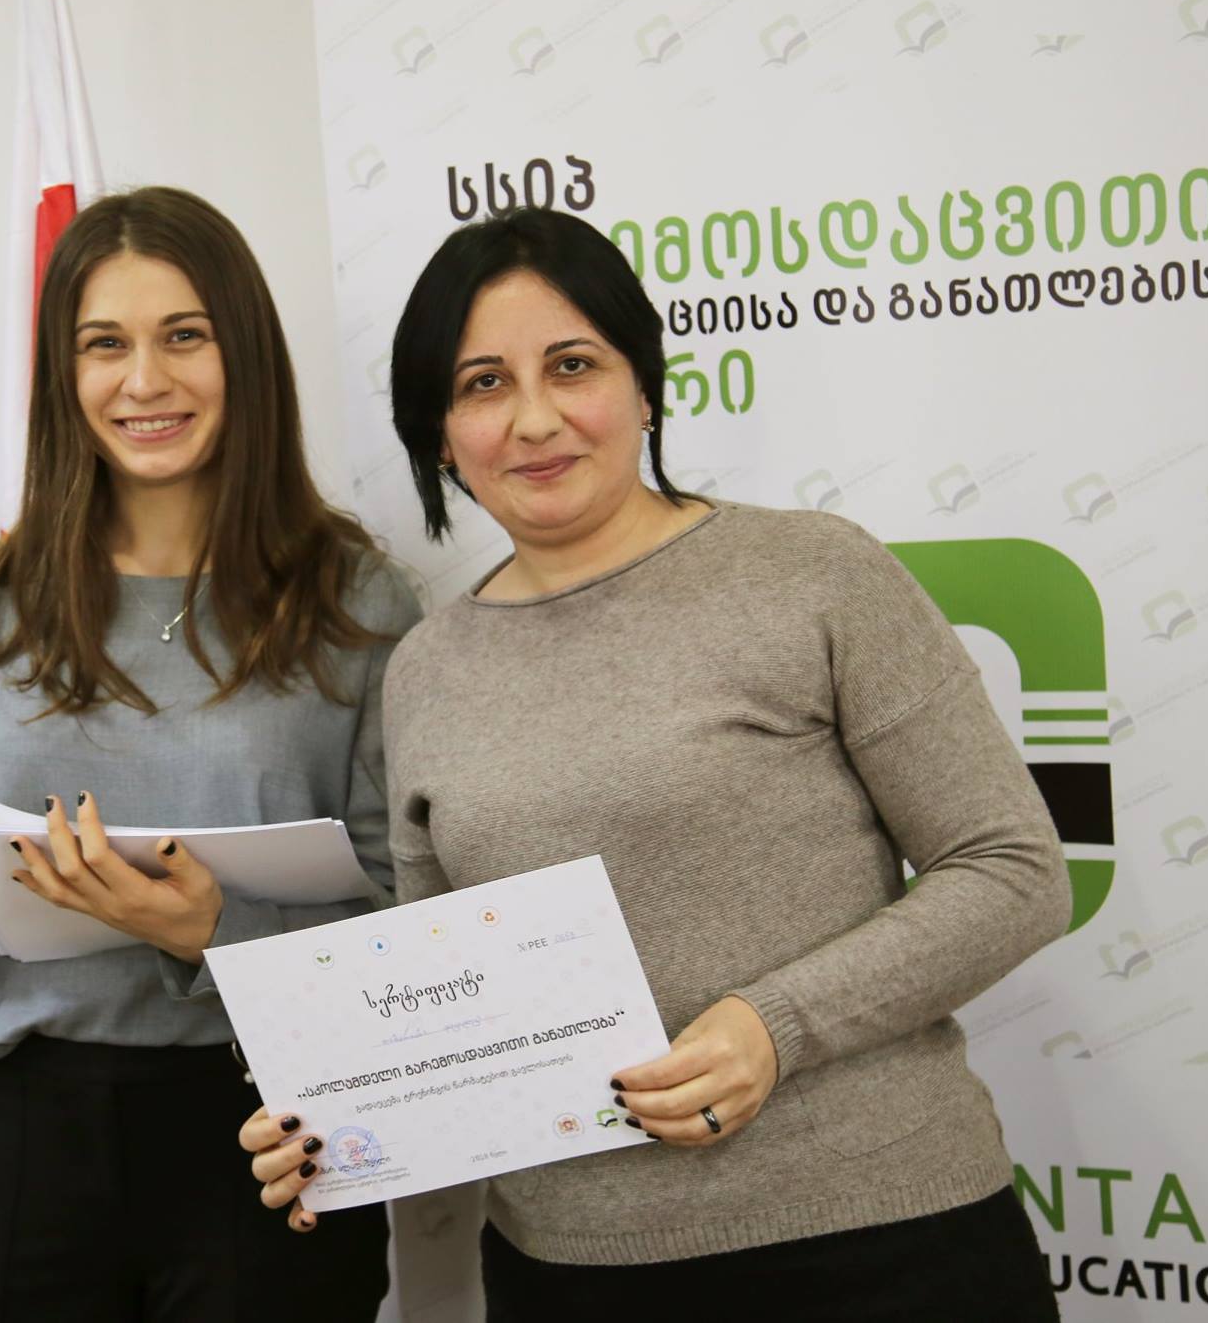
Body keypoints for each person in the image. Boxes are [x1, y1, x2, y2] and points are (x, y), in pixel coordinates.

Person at [241, 207, 1068, 1320]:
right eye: (483, 384)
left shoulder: (814, 573)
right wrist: (335, 1120)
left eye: (572, 366)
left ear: (644, 387)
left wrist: (774, 1025)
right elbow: (445, 1003)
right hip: (569, 1272)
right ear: (438, 434)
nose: (534, 418)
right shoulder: (427, 669)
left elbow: (1012, 869)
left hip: (882, 1243)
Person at [0, 186, 416, 1321]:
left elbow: (402, 917)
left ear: (244, 353)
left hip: (273, 1120)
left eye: (184, 336)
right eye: (104, 344)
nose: (145, 381)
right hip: (27, 1128)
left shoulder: (354, 601)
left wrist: (213, 932)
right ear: (62, 375)